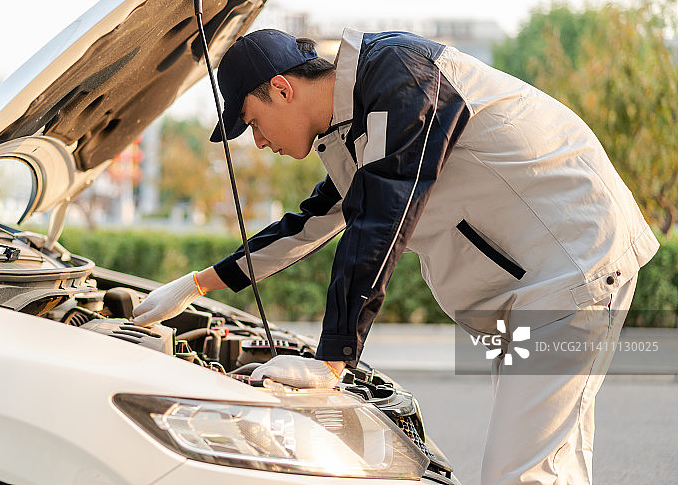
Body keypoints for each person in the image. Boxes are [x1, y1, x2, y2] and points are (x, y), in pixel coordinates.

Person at [132, 28, 659, 484]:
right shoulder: (352, 127)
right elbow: (309, 225)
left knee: (518, 472)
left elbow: (382, 219)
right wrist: (195, 285)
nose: (259, 142)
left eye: (252, 123)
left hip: (573, 264)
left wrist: (333, 359)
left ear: (281, 89)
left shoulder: (401, 78)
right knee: (554, 460)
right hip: (533, 285)